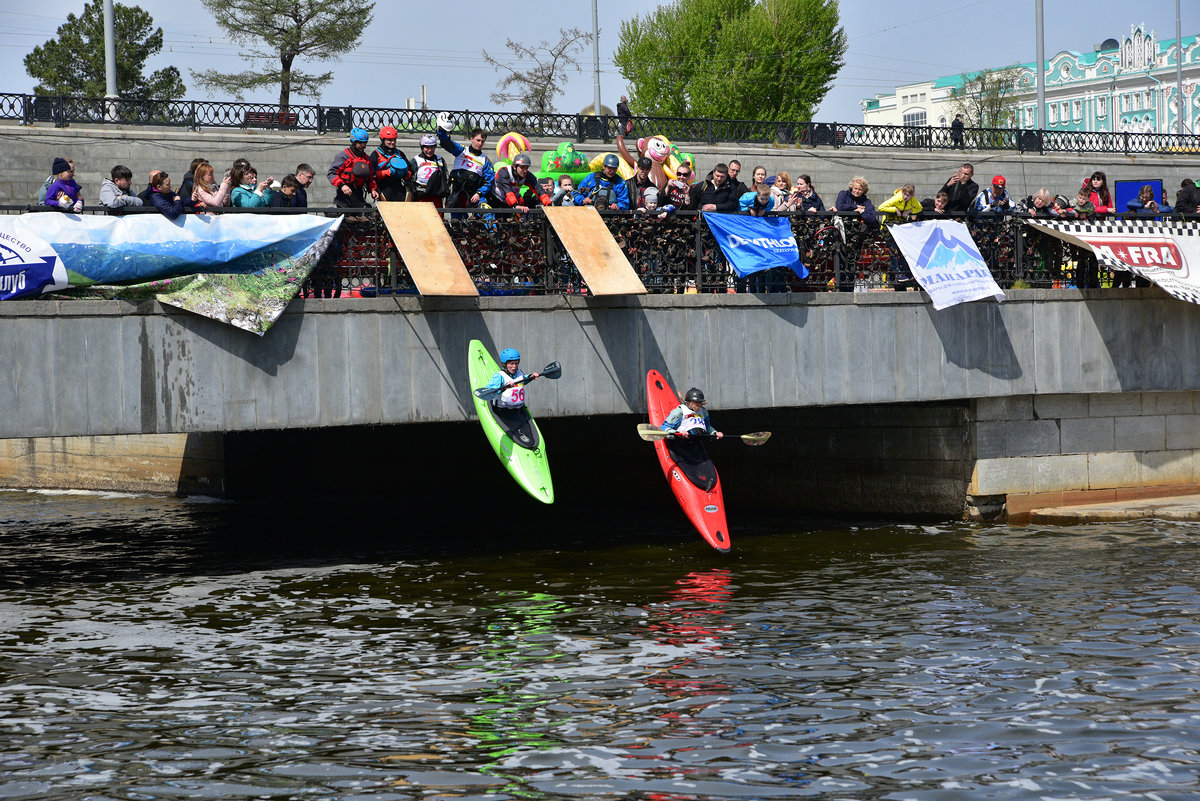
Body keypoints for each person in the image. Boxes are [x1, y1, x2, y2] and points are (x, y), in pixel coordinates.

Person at [436, 113, 494, 212]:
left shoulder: (486, 160)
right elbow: (446, 143)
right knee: (456, 223)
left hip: (474, 195)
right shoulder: (461, 150)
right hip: (457, 194)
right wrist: (441, 129)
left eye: (482, 141)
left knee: (487, 213)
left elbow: (489, 181)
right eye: (478, 140)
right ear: (471, 139)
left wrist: (479, 193)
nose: (480, 144)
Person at [328, 127, 377, 208]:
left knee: (365, 217)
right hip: (344, 194)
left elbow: (372, 177)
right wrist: (342, 185)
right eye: (360, 143)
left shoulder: (366, 159)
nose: (363, 146)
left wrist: (373, 189)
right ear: (353, 142)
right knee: (349, 219)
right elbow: (331, 173)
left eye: (365, 143)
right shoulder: (343, 156)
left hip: (358, 194)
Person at [371, 125, 411, 202]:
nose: (392, 142)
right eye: (389, 140)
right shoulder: (375, 154)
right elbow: (371, 175)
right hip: (383, 188)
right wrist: (388, 172)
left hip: (398, 189)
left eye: (394, 140)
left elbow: (410, 169)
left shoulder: (400, 153)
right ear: (383, 140)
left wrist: (406, 174)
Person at [410, 133, 450, 207]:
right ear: (422, 147)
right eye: (427, 148)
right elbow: (410, 180)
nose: (430, 150)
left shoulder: (440, 159)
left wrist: (447, 197)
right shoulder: (415, 160)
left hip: (436, 196)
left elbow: (446, 179)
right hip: (421, 196)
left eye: (432, 147)